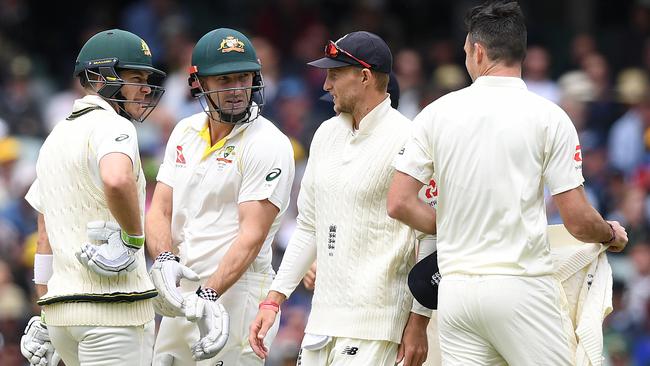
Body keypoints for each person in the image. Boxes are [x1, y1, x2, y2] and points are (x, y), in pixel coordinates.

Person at [387, 1, 628, 365]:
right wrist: (610, 235)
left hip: (457, 293)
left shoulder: (435, 113)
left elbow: (399, 202)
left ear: (479, 52)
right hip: (521, 287)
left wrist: (454, 228)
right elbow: (577, 221)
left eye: (466, 51)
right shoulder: (550, 116)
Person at [249, 31, 430, 366]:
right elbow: (308, 228)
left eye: (334, 74)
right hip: (322, 321)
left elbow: (430, 237)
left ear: (364, 77)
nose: (325, 85)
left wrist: (418, 322)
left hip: (378, 325)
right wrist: (273, 300)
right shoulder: (325, 135)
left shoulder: (411, 138)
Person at [146, 28, 295, 365]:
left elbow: (252, 235)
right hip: (184, 290)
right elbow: (160, 209)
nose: (237, 90)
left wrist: (209, 294)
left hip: (237, 294)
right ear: (199, 83)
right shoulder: (185, 130)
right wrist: (165, 261)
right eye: (224, 80)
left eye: (243, 77)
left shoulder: (267, 143)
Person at [20, 29, 166, 366]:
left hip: (62, 316)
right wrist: (132, 238)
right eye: (135, 77)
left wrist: (44, 307)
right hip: (113, 314)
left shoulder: (54, 137)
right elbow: (116, 179)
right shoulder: (114, 125)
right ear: (101, 77)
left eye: (147, 78)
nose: (145, 88)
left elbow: (45, 235)